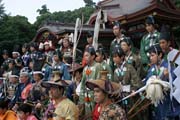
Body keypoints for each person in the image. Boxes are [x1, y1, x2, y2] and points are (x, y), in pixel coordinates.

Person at [79, 46, 101, 119]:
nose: (85, 57)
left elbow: (99, 83)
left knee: (96, 115)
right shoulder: (85, 68)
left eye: (87, 55)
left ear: (93, 56)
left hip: (95, 95)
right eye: (84, 56)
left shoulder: (98, 66)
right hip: (86, 95)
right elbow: (82, 84)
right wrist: (81, 99)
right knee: (88, 116)